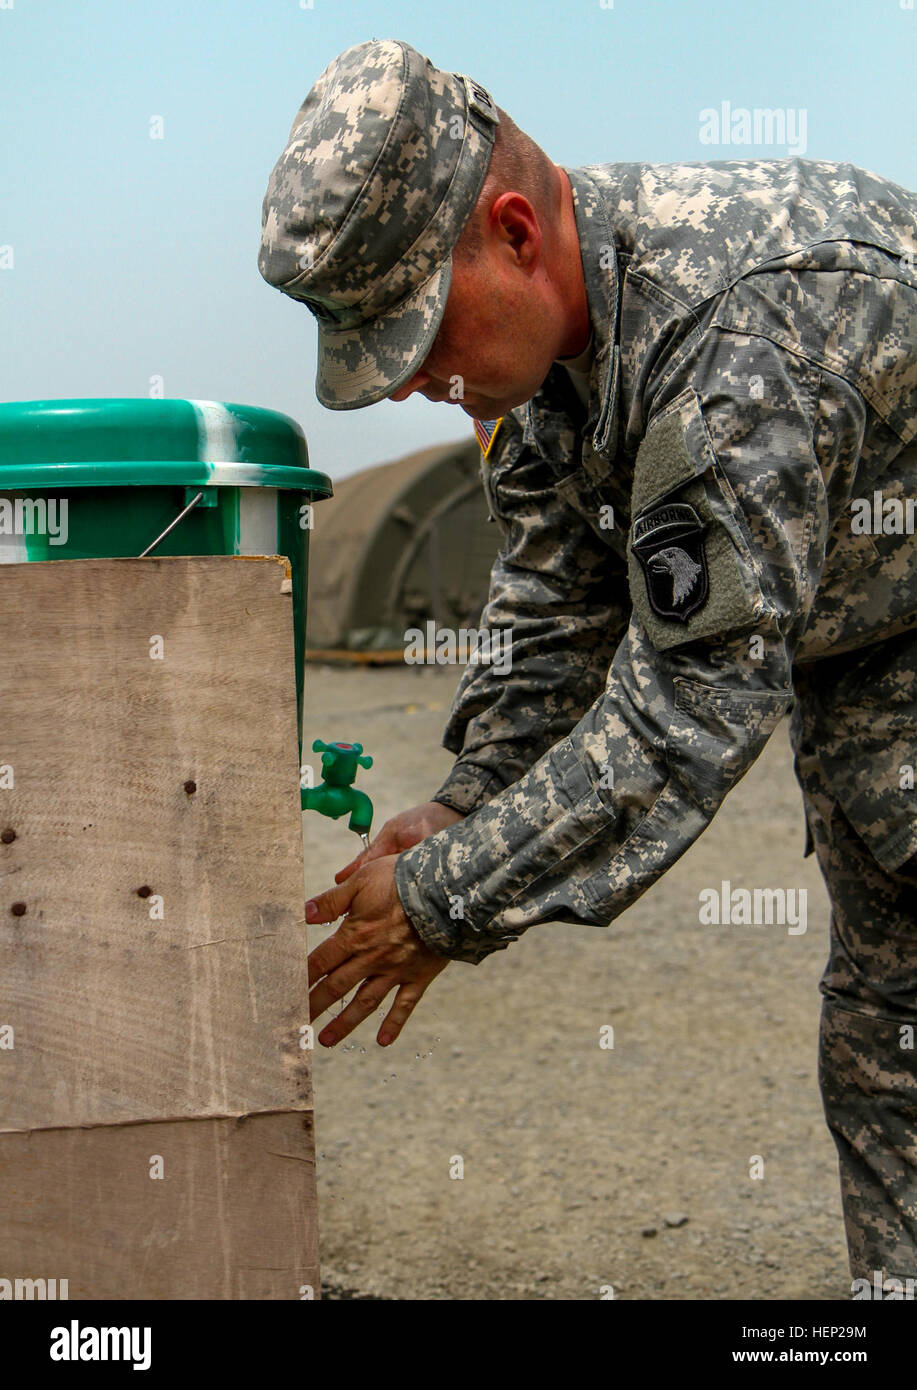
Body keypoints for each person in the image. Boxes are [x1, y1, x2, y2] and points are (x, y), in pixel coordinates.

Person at [258, 37, 917, 1281]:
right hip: (876, 642)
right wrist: (467, 798)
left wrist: (451, 897)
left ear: (513, 229)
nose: (409, 381)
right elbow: (558, 604)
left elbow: (686, 710)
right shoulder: (551, 359)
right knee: (887, 1038)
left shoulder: (735, 349)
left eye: (417, 331)